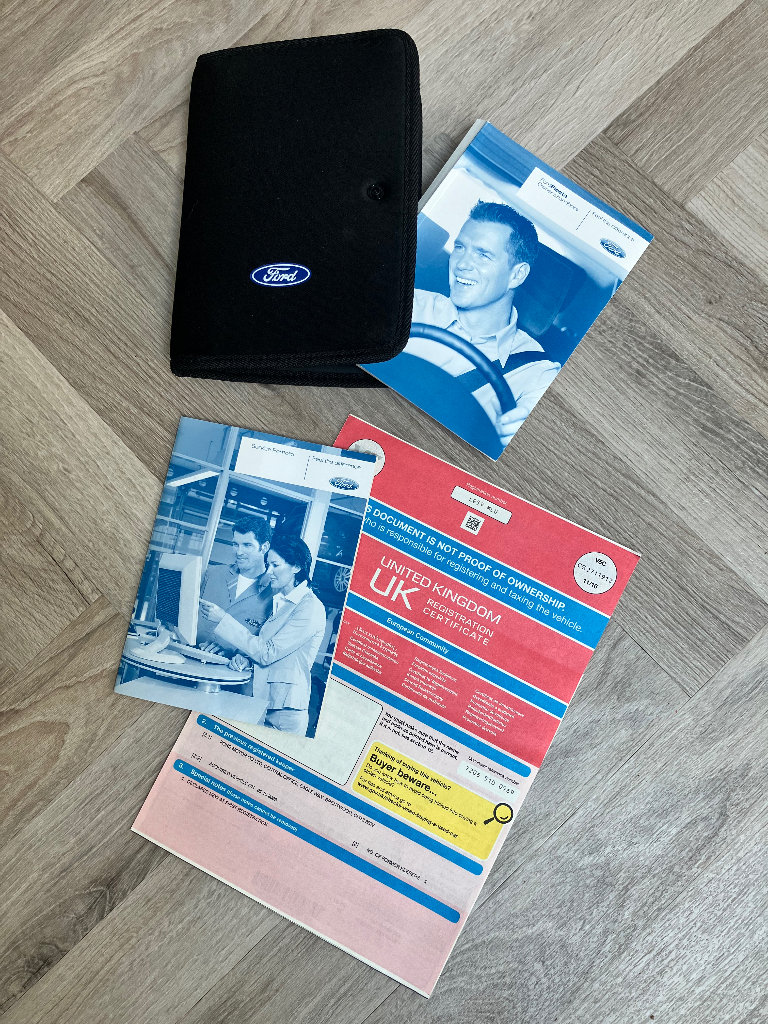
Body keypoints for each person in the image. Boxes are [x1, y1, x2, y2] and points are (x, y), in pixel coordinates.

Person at [407, 200, 561, 446]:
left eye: (483, 255)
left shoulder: (536, 373)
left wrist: (524, 433)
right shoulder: (410, 305)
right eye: (460, 247)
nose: (462, 264)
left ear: (517, 275)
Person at [200, 535, 326, 735]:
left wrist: (223, 619)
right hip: (261, 701)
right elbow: (271, 648)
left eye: (275, 565)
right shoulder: (281, 601)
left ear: (296, 567)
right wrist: (246, 659)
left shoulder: (310, 607)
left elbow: (268, 652)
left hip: (284, 712)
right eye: (268, 565)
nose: (269, 572)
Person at [196, 514, 273, 657]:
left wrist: (235, 654)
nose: (239, 552)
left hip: (228, 667)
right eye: (235, 544)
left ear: (264, 547)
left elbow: (265, 647)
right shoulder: (212, 573)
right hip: (190, 655)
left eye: (247, 545)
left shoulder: (273, 593)